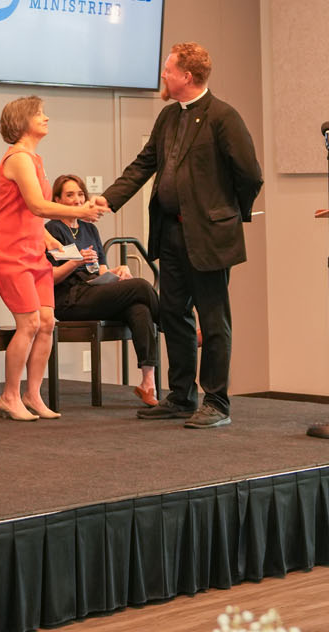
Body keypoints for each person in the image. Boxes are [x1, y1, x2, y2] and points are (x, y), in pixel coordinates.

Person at [91, 42, 262, 429]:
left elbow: (250, 174)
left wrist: (228, 214)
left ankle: (216, 402)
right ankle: (182, 396)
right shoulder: (168, 117)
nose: (163, 75)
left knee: (214, 320)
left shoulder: (223, 116)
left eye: (168, 69)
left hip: (208, 236)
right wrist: (107, 200)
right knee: (172, 313)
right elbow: (143, 165)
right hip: (169, 233)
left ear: (186, 76)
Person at [0, 97, 93, 421]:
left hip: (32, 251)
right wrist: (79, 211)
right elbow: (37, 206)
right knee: (28, 323)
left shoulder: (35, 159)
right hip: (9, 252)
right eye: (39, 114)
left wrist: (52, 243)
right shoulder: (17, 158)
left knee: (47, 323)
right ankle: (9, 395)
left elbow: (31, 216)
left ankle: (32, 393)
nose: (46, 118)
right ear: (23, 121)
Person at [45, 174, 160, 406]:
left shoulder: (90, 229)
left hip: (95, 293)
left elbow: (101, 271)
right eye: (69, 195)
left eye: (80, 194)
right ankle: (171, 323)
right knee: (140, 286)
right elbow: (50, 278)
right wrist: (75, 262)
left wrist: (117, 272)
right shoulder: (52, 229)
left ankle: (148, 383)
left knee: (139, 308)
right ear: (57, 199)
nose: (77, 199)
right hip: (71, 299)